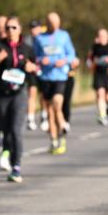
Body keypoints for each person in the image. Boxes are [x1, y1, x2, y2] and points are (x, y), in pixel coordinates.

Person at [0, 16, 37, 182]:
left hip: (19, 93)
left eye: (13, 27)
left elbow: (36, 67)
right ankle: (7, 151)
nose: (10, 30)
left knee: (16, 130)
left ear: (20, 29)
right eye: (8, 28)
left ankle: (16, 167)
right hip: (1, 94)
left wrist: (32, 67)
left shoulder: (27, 48)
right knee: (6, 130)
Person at [33, 12, 76, 154]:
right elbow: (35, 56)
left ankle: (62, 130)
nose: (54, 25)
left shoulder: (64, 36)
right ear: (47, 23)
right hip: (46, 77)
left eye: (56, 23)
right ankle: (54, 140)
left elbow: (71, 55)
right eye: (51, 23)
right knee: (50, 111)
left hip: (60, 76)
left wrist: (64, 61)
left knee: (57, 103)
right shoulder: (39, 38)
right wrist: (40, 60)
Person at [88, 28, 108, 125]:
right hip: (98, 74)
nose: (102, 38)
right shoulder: (95, 47)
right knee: (100, 94)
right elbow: (90, 60)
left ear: (107, 37)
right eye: (100, 36)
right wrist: (93, 64)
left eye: (103, 36)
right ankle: (102, 115)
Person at [25, 20, 43, 130]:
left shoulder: (44, 39)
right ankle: (30, 118)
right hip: (32, 70)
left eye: (35, 28)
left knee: (44, 95)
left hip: (44, 70)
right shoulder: (27, 40)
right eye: (32, 28)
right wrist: (32, 66)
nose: (33, 30)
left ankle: (44, 116)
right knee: (32, 93)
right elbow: (24, 55)